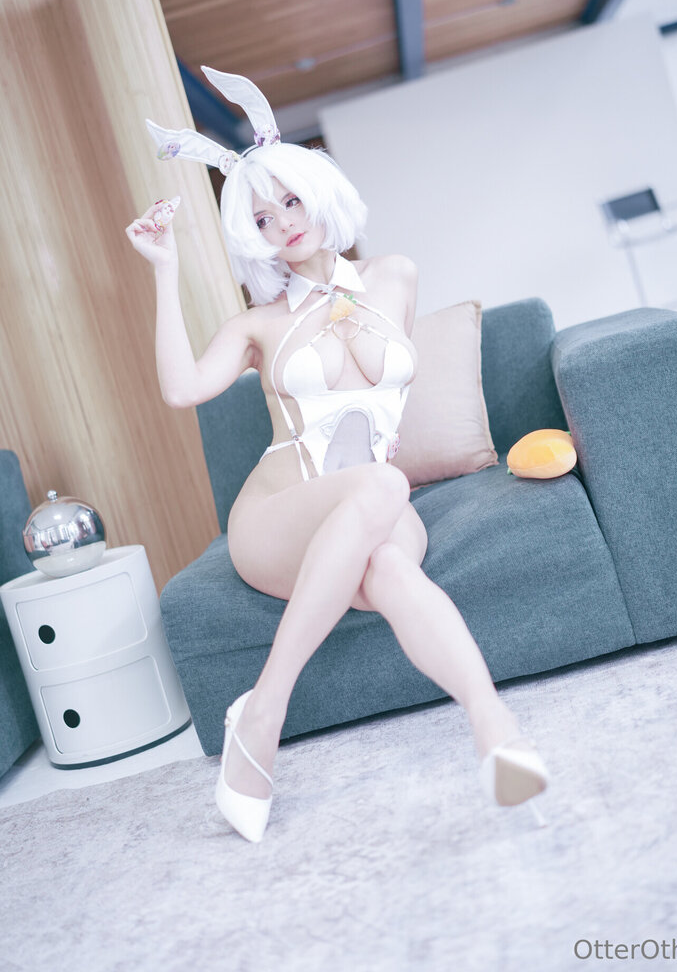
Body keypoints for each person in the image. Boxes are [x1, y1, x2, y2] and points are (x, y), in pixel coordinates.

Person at [125, 67, 550, 843]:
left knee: (389, 558)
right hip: (280, 518)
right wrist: (163, 271)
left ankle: (495, 732)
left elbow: (391, 378)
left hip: (376, 505)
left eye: (291, 200)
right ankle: (267, 713)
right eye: (262, 216)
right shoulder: (257, 324)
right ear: (249, 235)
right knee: (381, 485)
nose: (283, 223)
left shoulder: (395, 277)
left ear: (319, 191)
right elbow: (183, 389)